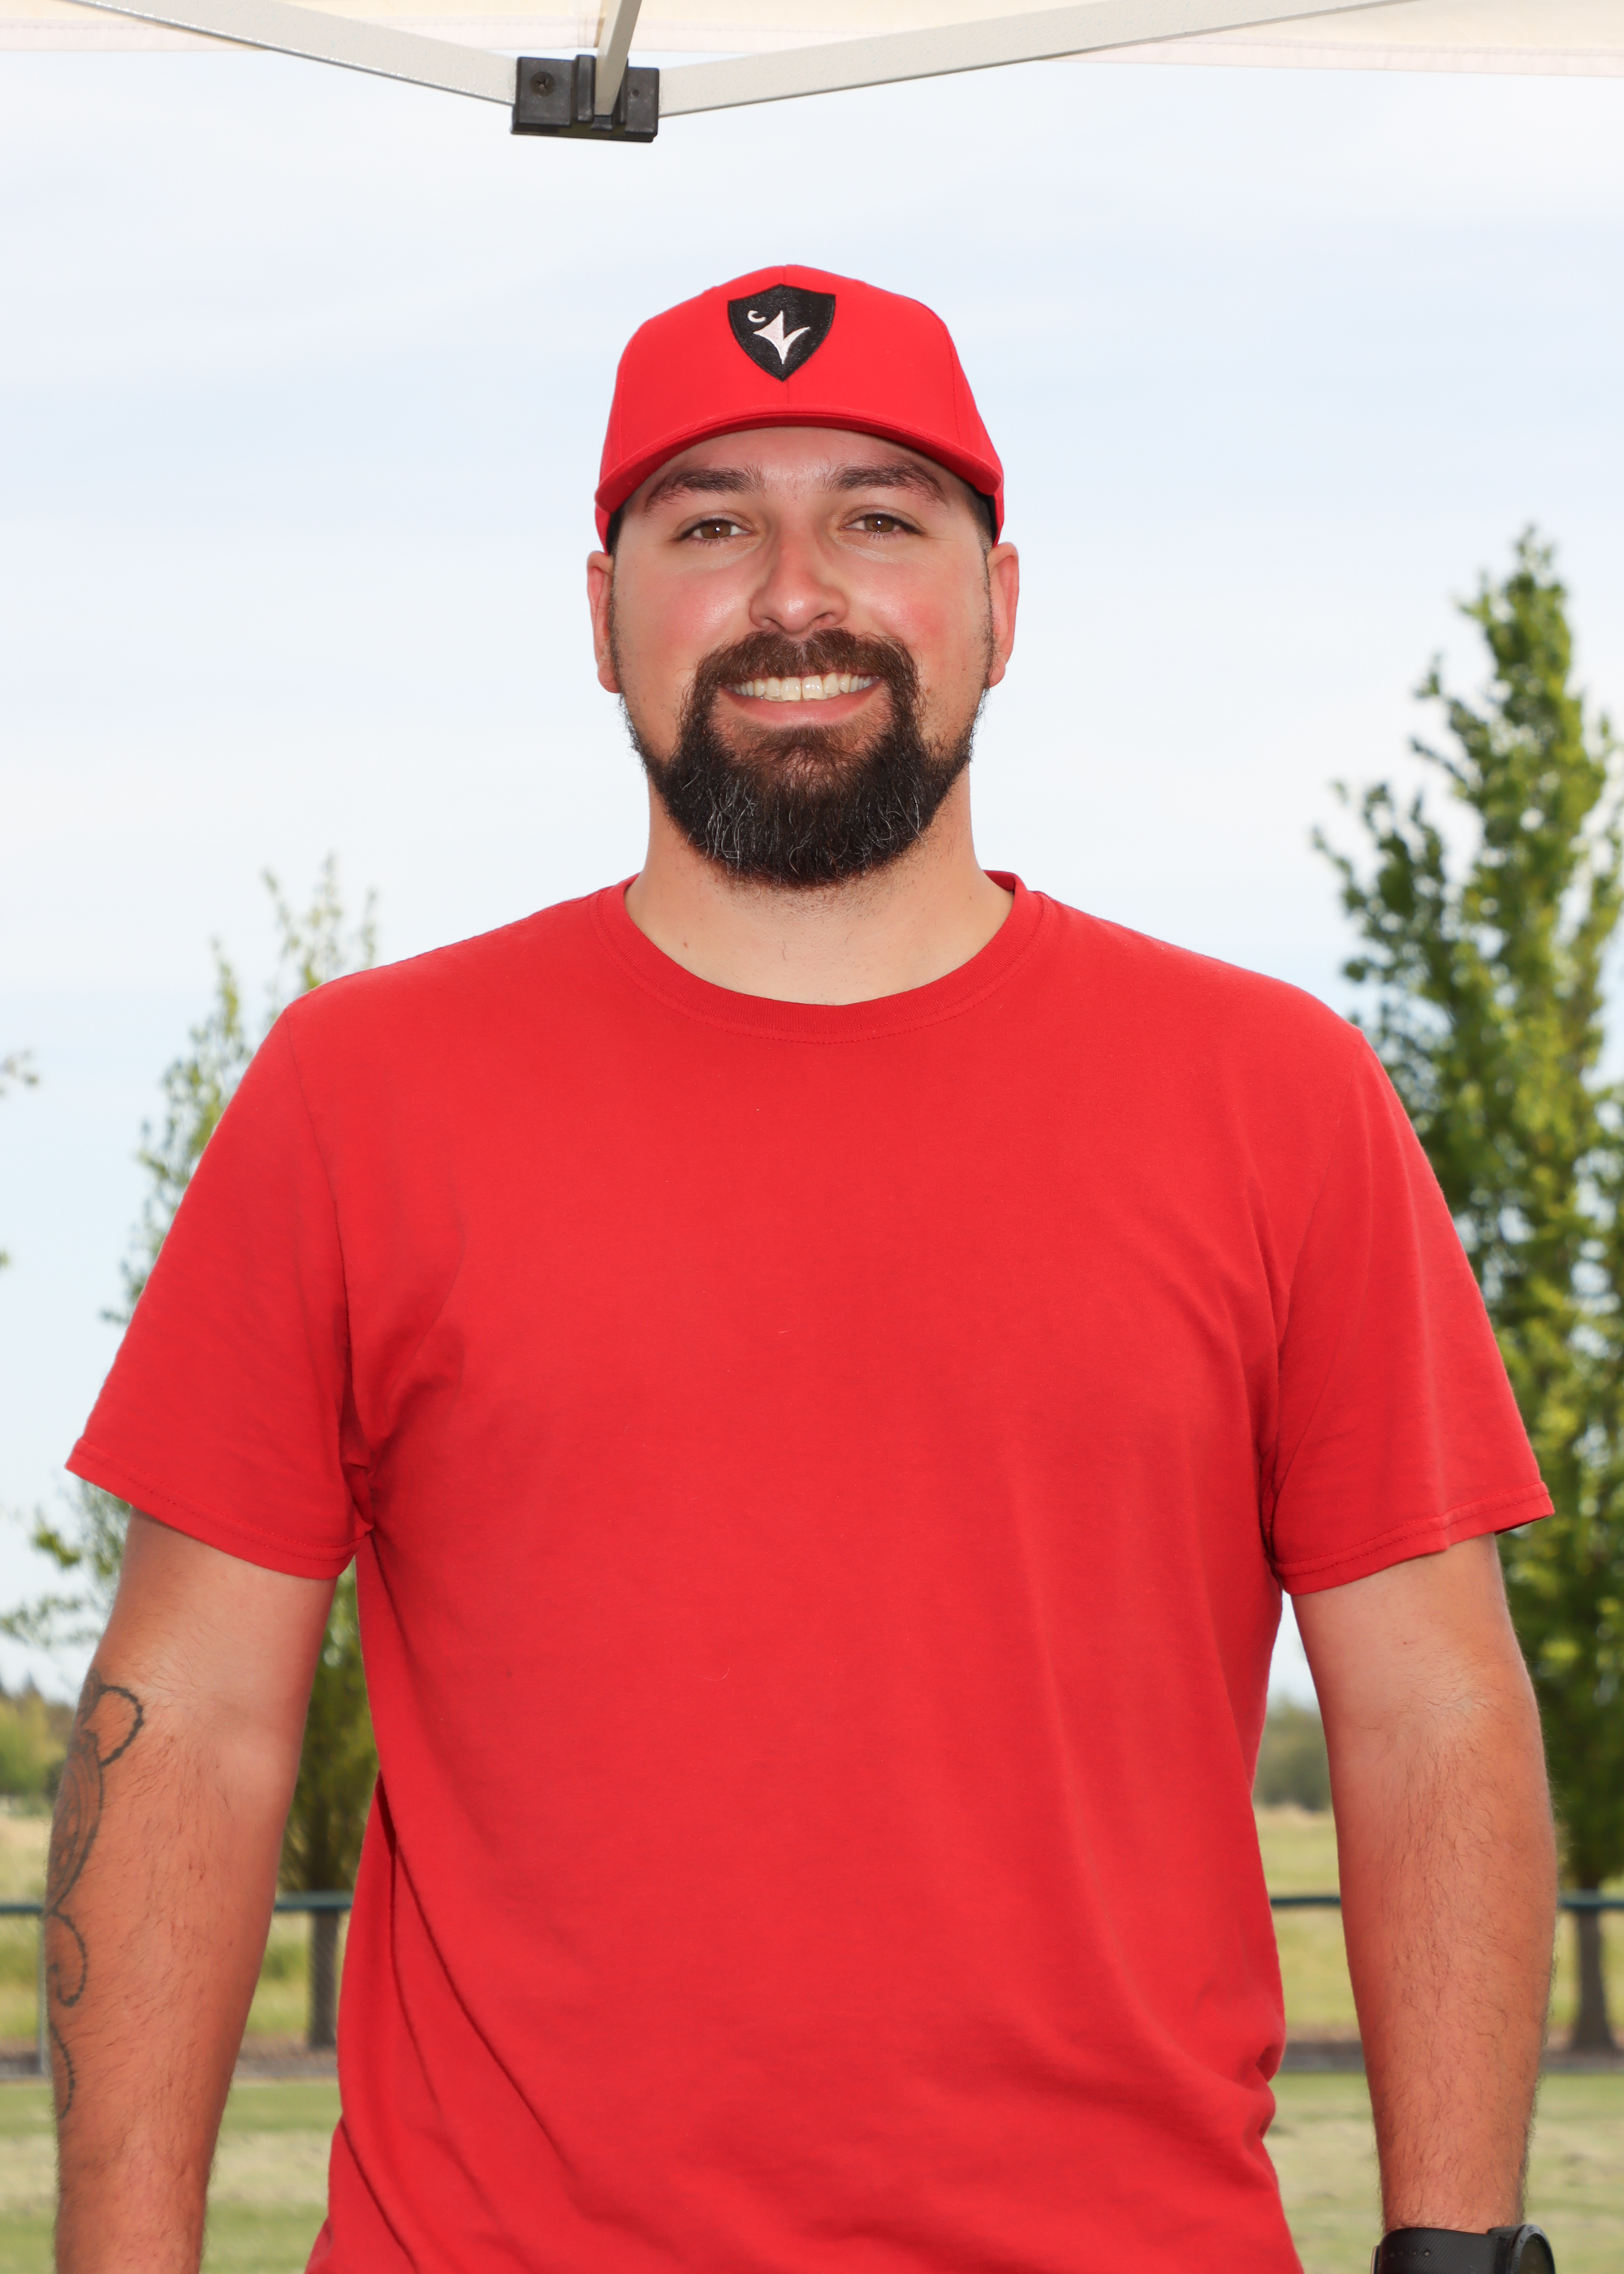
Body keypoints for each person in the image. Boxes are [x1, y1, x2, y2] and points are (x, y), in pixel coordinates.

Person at [53, 265, 1557, 2274]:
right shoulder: (356, 1092)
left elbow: (1429, 1706)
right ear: (599, 612)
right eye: (708, 525)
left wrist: (1458, 2252)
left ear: (999, 602)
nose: (793, 592)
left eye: (876, 516)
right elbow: (192, 1719)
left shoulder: (1276, 1095)